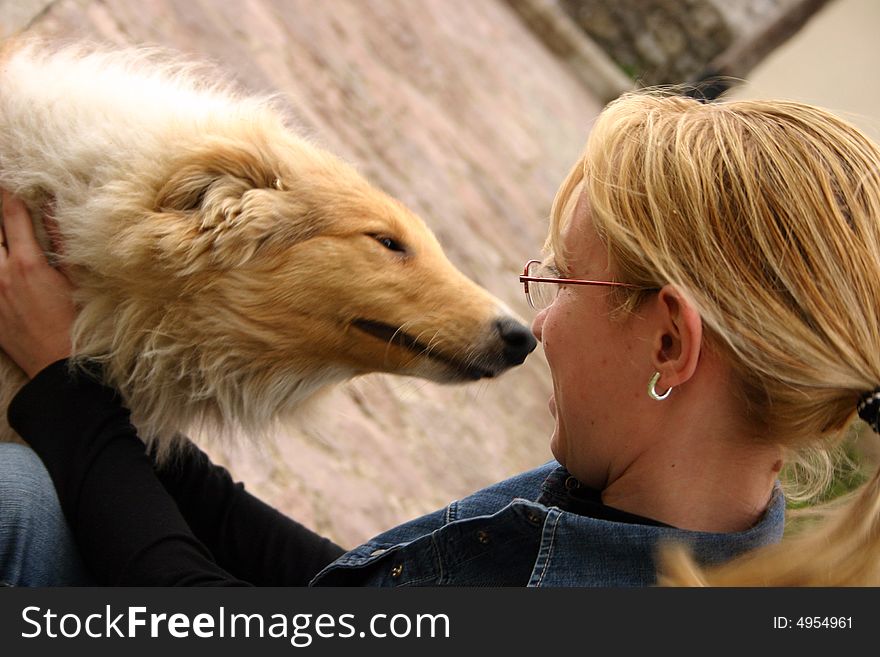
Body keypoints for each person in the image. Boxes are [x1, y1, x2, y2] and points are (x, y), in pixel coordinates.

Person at [2, 90, 879, 587]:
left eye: (563, 280)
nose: (536, 320)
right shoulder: (672, 523)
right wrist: (125, 422)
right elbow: (357, 596)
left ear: (669, 347)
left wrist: (64, 391)